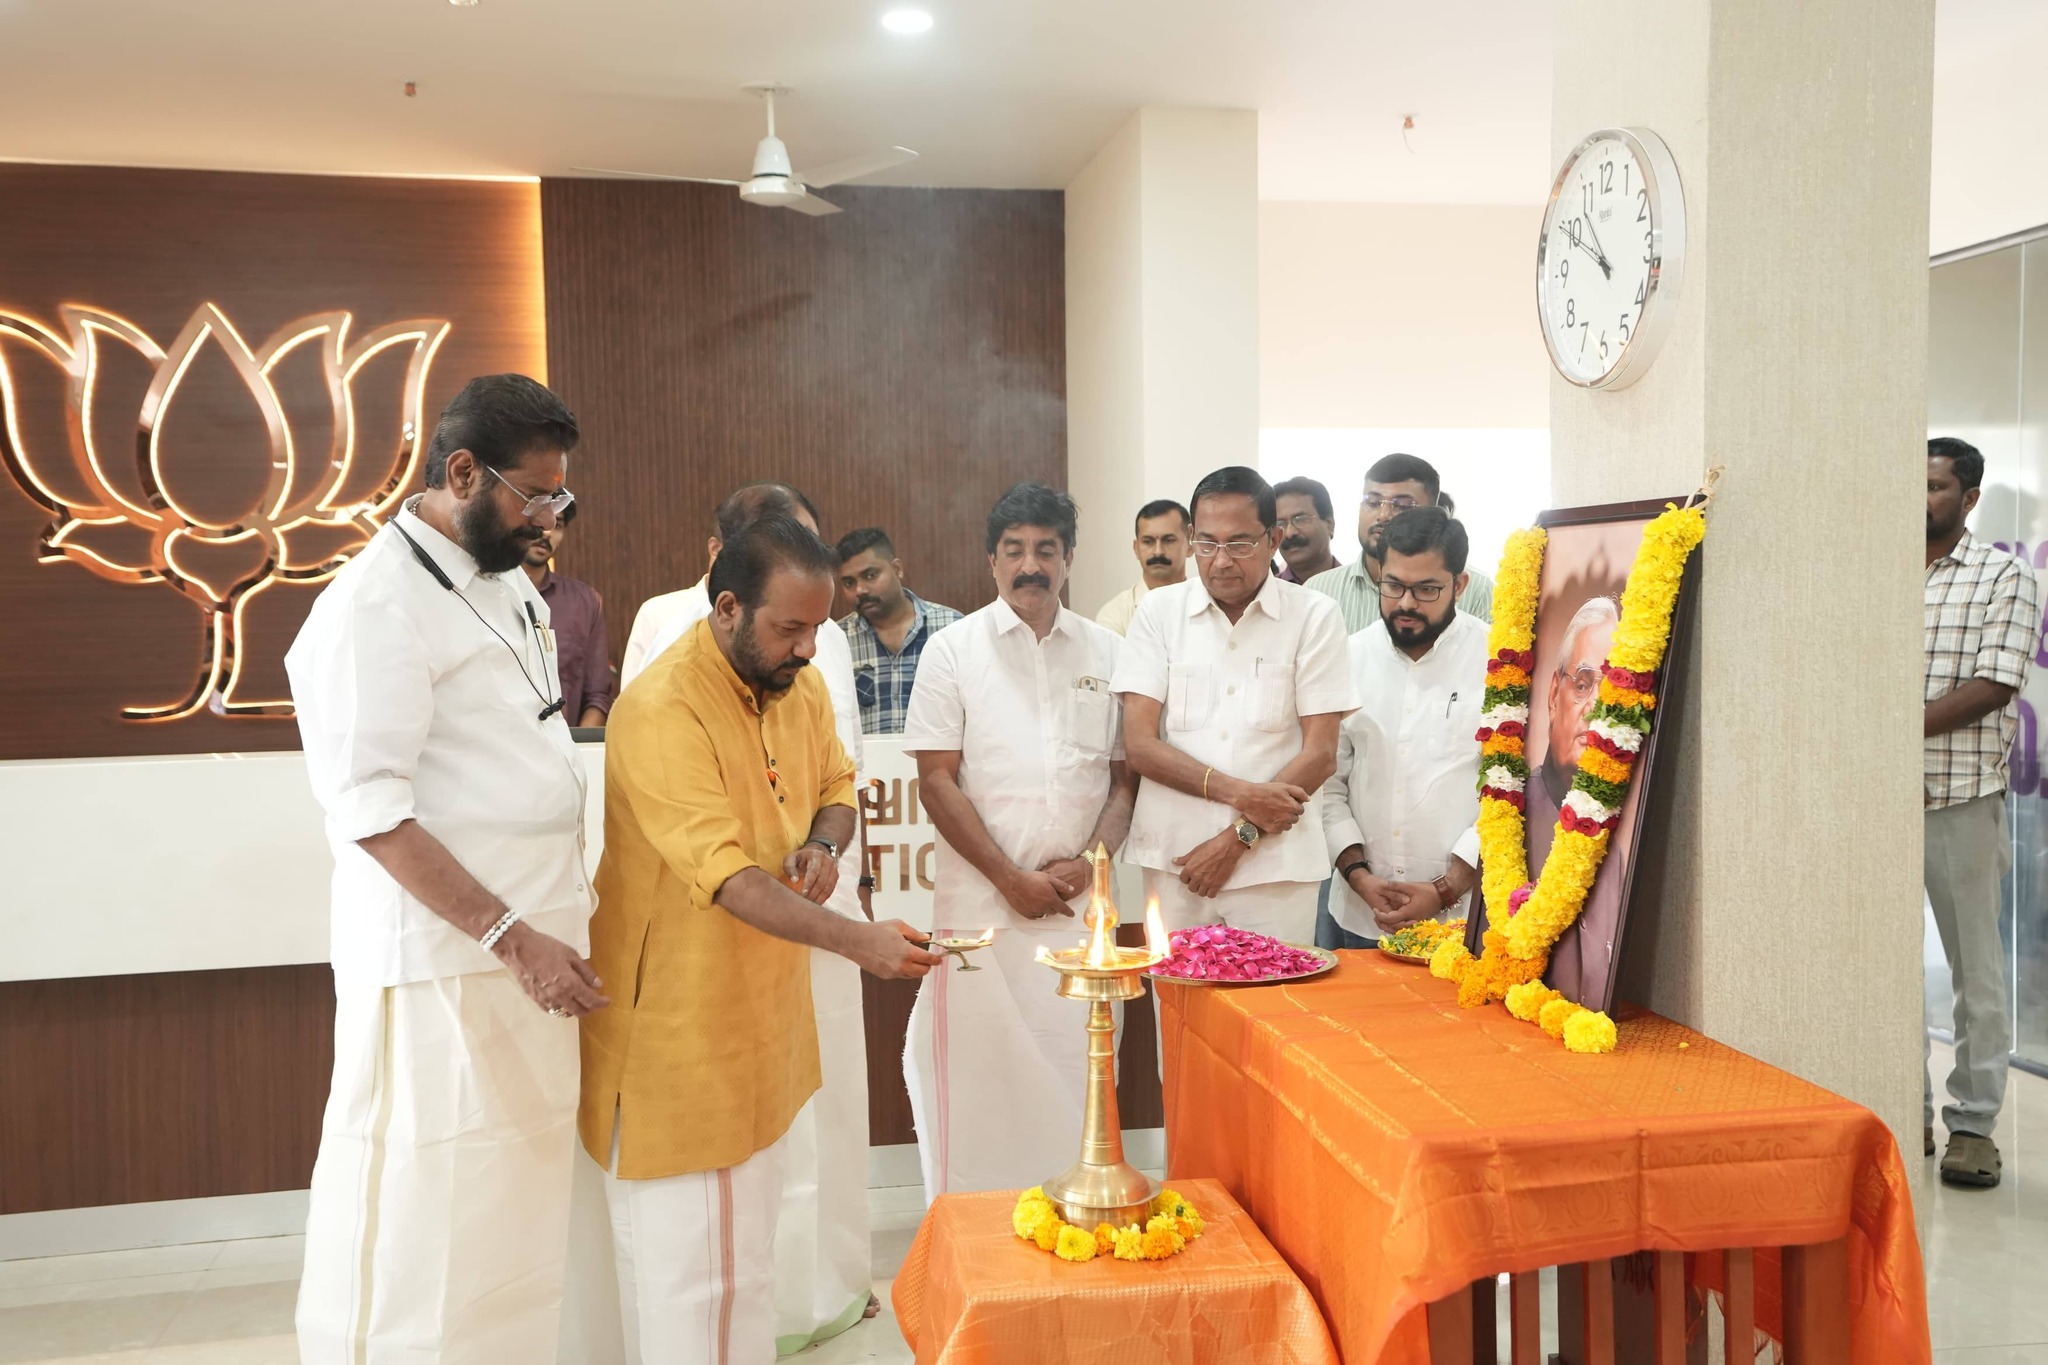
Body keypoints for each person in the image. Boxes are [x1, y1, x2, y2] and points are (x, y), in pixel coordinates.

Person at [287, 373, 606, 1364]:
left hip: (529, 954)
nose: (549, 518)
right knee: (428, 1218)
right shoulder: (372, 605)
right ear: (461, 472)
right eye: (534, 495)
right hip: (445, 966)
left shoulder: (502, 578)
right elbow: (372, 813)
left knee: (514, 1214)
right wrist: (512, 938)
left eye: (559, 495)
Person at [579, 515, 944, 1363]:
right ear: (728, 607)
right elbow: (730, 879)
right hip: (677, 1040)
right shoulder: (662, 708)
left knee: (748, 1273)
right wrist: (860, 942)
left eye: (817, 627)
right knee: (689, 1285)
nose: (809, 648)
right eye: (790, 628)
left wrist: (822, 844)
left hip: (763, 1022)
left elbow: (838, 783)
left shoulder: (794, 684)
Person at [900, 482, 1137, 1198]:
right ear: (991, 560)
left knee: (1079, 1076)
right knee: (978, 1090)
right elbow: (936, 780)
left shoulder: (1111, 652)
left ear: (1069, 558)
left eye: (1045, 550)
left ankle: (1073, 1215)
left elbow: (1125, 780)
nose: (1030, 565)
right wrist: (1009, 878)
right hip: (981, 914)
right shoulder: (950, 651)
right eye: (1014, 551)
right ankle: (972, 1233)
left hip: (1080, 913)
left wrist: (1090, 863)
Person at [1113, 466, 1356, 940]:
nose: (1221, 561)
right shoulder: (1159, 613)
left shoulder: (1314, 615)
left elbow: (1320, 754)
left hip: (1277, 869)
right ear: (1191, 539)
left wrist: (1237, 838)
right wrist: (1241, 794)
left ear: (1273, 539)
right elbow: (1139, 746)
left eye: (1240, 544)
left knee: (1276, 988)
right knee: (1177, 989)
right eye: (1207, 543)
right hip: (1175, 860)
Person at [1924, 435, 2039, 1189]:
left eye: (1934, 486)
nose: (1919, 498)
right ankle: (1901, 1103)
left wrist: (1889, 726)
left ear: (1968, 498)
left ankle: (1972, 1125)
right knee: (1879, 968)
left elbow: (1996, 684)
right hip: (1871, 806)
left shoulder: (2006, 578)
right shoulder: (1876, 571)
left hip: (1960, 800)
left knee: (1977, 975)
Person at [1321, 508, 1487, 948]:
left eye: (1427, 589)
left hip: (1466, 918)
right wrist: (1359, 876)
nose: (1407, 603)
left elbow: (1511, 791)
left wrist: (1446, 889)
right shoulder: (1347, 657)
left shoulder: (1499, 662)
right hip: (1360, 913)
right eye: (1393, 585)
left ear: (1460, 584)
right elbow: (1327, 783)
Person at [618, 483, 825, 690]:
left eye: (811, 547)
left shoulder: (824, 640)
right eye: (788, 628)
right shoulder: (665, 626)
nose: (808, 649)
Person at [1524, 594, 1621, 1005]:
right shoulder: (1511, 812)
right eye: (1582, 684)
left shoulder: (1626, 831)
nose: (1594, 707)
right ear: (1553, 694)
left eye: (1613, 691)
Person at [1306, 453, 1495, 632]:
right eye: (1373, 502)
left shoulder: (1476, 591)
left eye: (1402, 506)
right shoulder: (1319, 590)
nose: (1383, 515)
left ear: (1433, 512)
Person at [836, 527, 963, 734]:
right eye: (849, 583)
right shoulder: (835, 640)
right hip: (863, 757)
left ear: (897, 569)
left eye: (870, 575)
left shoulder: (952, 629)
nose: (860, 590)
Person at [524, 497, 613, 727]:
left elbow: (598, 696)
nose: (546, 532)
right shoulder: (485, 590)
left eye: (557, 524)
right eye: (537, 520)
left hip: (565, 744)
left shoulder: (584, 602)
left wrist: (574, 746)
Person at [1094, 499, 1191, 635]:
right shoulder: (1114, 616)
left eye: (1168, 540)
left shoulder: (1210, 607)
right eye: (1148, 541)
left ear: (1191, 546)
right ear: (1136, 548)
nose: (1158, 552)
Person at [1272, 476, 1341, 584]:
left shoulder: (1355, 588)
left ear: (1330, 525)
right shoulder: (1267, 592)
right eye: (1280, 524)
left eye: (1300, 519)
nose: (1290, 533)